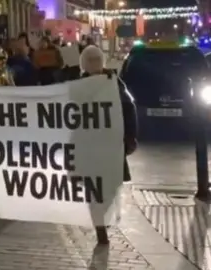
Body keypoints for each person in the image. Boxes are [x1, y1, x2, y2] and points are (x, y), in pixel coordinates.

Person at [79, 45, 138, 245]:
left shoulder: (114, 82)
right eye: (90, 61)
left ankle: (103, 216)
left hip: (111, 144)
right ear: (84, 64)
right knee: (93, 188)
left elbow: (129, 108)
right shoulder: (79, 85)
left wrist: (131, 137)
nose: (94, 64)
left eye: (97, 60)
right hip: (89, 147)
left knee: (111, 185)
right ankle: (99, 225)